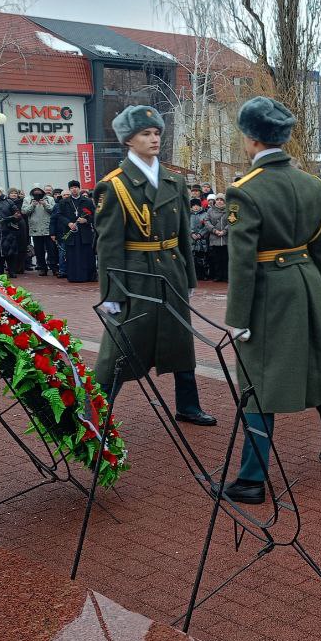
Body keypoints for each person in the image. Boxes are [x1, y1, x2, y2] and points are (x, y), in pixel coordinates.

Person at [219, 96, 321, 504]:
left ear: (251, 139)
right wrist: (317, 285)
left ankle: (251, 480)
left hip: (269, 293)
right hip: (307, 281)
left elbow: (242, 262)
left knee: (259, 379)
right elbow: (319, 247)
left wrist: (237, 317)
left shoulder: (244, 190)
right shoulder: (311, 185)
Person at [93, 105, 215, 426]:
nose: (154, 139)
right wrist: (111, 293)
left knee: (180, 340)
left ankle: (188, 405)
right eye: (145, 133)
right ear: (128, 140)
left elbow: (183, 235)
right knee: (120, 347)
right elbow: (108, 245)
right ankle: (95, 409)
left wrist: (188, 276)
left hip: (171, 271)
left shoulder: (174, 181)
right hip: (136, 276)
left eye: (157, 133)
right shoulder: (114, 185)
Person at [56, 181, 96, 283]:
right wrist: (68, 223)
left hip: (84, 233)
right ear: (69, 189)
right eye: (72, 188)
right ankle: (74, 277)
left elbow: (94, 215)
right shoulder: (64, 202)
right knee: (72, 256)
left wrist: (86, 220)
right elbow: (59, 215)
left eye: (76, 187)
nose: (74, 189)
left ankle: (89, 276)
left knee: (86, 255)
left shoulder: (87, 201)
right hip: (71, 232)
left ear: (79, 188)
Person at [22, 186, 57, 276]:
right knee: (39, 251)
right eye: (35, 191)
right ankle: (42, 268)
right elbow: (24, 212)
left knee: (51, 250)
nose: (37, 193)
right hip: (35, 229)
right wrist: (32, 205)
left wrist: (45, 204)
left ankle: (54, 268)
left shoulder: (50, 199)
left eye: (39, 190)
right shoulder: (27, 199)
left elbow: (54, 210)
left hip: (48, 228)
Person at [200, 193, 229, 283]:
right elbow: (206, 221)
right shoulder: (210, 210)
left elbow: (231, 221)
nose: (219, 201)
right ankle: (217, 276)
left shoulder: (229, 210)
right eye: (218, 200)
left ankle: (226, 276)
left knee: (225, 258)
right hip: (214, 237)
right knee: (216, 259)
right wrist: (214, 230)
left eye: (221, 200)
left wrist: (224, 231)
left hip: (225, 238)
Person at [189, 199, 209, 279]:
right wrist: (192, 233)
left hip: (202, 240)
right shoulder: (188, 215)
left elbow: (207, 226)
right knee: (192, 259)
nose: (195, 207)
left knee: (202, 258)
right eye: (193, 205)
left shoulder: (205, 214)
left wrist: (200, 234)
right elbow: (186, 225)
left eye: (197, 205)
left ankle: (203, 274)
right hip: (191, 240)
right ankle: (195, 275)